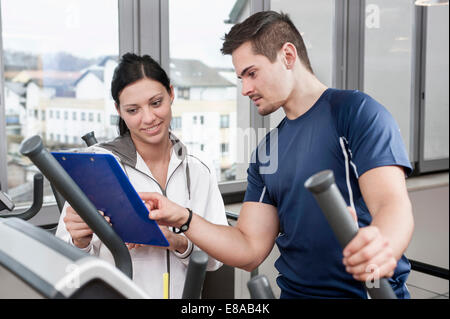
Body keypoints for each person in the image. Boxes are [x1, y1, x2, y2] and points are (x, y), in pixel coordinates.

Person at [140, 11, 415, 299]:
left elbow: (392, 204)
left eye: (252, 73)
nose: (245, 89)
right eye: (240, 78)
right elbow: (249, 249)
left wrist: (383, 244)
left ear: (287, 55)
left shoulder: (354, 113)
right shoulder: (266, 151)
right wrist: (182, 216)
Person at [55, 53, 228, 299]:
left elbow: (216, 259)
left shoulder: (197, 167)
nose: (148, 118)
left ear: (171, 93)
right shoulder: (94, 165)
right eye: (133, 110)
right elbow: (65, 265)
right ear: (119, 110)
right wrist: (79, 241)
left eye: (156, 102)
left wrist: (177, 242)